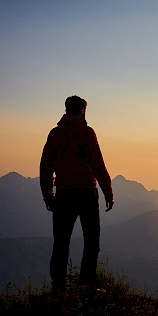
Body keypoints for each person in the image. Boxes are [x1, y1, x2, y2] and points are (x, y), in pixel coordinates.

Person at [40, 95, 114, 295]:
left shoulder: (54, 134)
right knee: (91, 239)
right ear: (82, 110)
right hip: (86, 194)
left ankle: (58, 287)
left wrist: (48, 195)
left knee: (61, 241)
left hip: (64, 194)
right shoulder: (86, 133)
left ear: (65, 109)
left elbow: (46, 166)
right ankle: (86, 284)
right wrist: (108, 191)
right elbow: (97, 163)